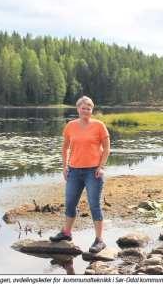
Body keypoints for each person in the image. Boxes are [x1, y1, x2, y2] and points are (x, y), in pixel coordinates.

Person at [50, 96, 110, 254]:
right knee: (70, 203)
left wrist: (101, 166)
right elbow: (64, 148)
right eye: (83, 108)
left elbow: (107, 148)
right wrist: (64, 166)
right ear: (78, 109)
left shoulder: (99, 125)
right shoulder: (70, 126)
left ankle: (99, 240)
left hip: (93, 172)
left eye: (89, 108)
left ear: (92, 110)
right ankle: (66, 233)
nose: (86, 110)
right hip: (74, 171)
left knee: (94, 205)